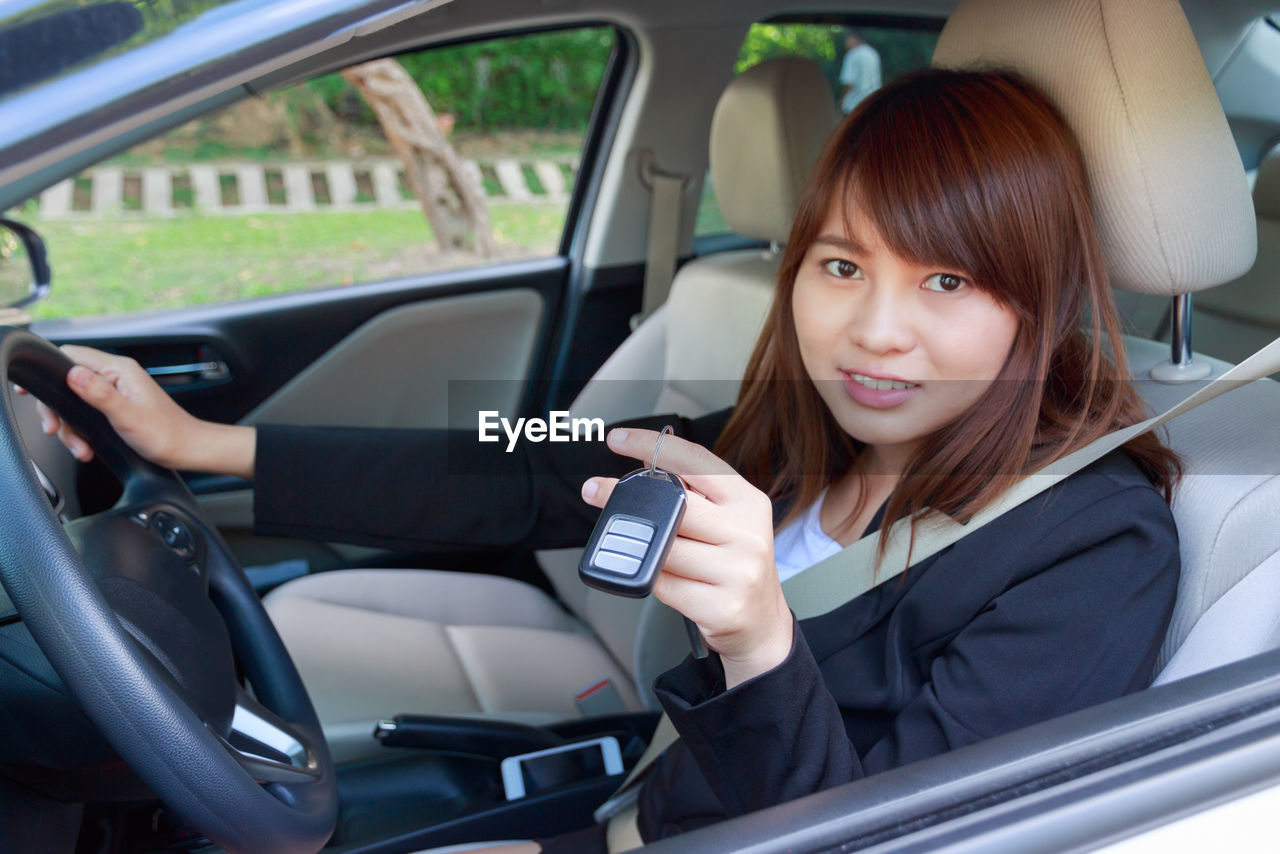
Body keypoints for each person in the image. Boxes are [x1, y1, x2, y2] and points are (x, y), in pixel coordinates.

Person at [30, 68, 1182, 853]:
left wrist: (758, 640)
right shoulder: (805, 424)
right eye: (841, 265)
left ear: (1036, 302)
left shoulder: (1089, 543)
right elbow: (527, 462)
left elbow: (888, 831)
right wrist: (205, 443)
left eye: (945, 280)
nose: (875, 330)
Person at [839, 29, 881, 114]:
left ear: (855, 37)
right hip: (871, 104)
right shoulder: (873, 54)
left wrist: (841, 101)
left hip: (853, 107)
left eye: (847, 38)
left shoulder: (852, 54)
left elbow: (848, 82)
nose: (846, 42)